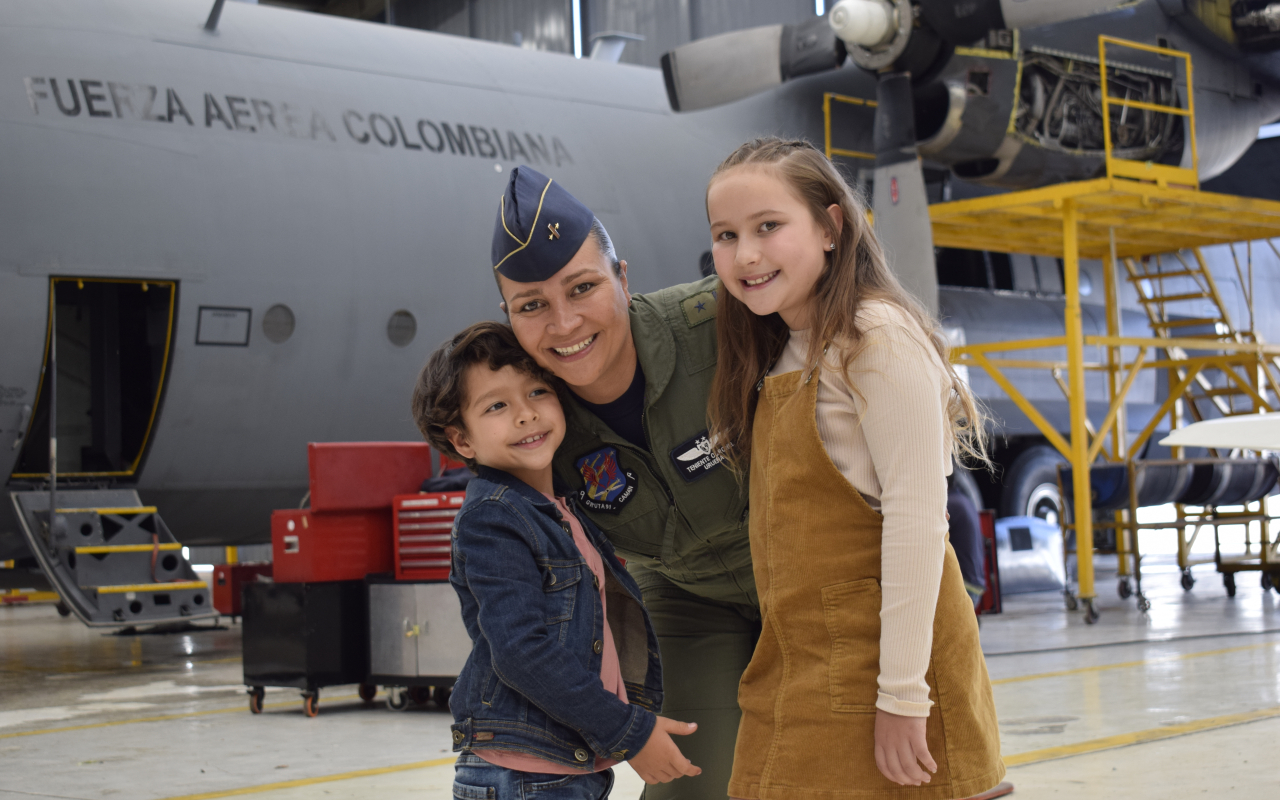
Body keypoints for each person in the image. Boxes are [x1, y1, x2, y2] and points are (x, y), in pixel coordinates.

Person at [704, 138, 1005, 799]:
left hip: (885, 672)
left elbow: (919, 523)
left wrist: (903, 697)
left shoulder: (876, 338)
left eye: (768, 227)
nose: (745, 254)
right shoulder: (779, 349)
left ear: (832, 227)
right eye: (725, 235)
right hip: (801, 661)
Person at [488, 165, 758, 798]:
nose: (562, 324)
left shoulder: (723, 324)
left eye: (582, 288)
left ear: (622, 277)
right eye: (531, 306)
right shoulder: (537, 425)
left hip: (805, 568)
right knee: (686, 782)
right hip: (689, 598)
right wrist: (616, 720)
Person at [411, 321, 701, 799]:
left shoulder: (563, 509)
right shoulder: (495, 518)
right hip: (526, 776)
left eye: (538, 391)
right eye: (497, 406)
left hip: (562, 768)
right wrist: (630, 732)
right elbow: (521, 651)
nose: (526, 414)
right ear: (462, 441)